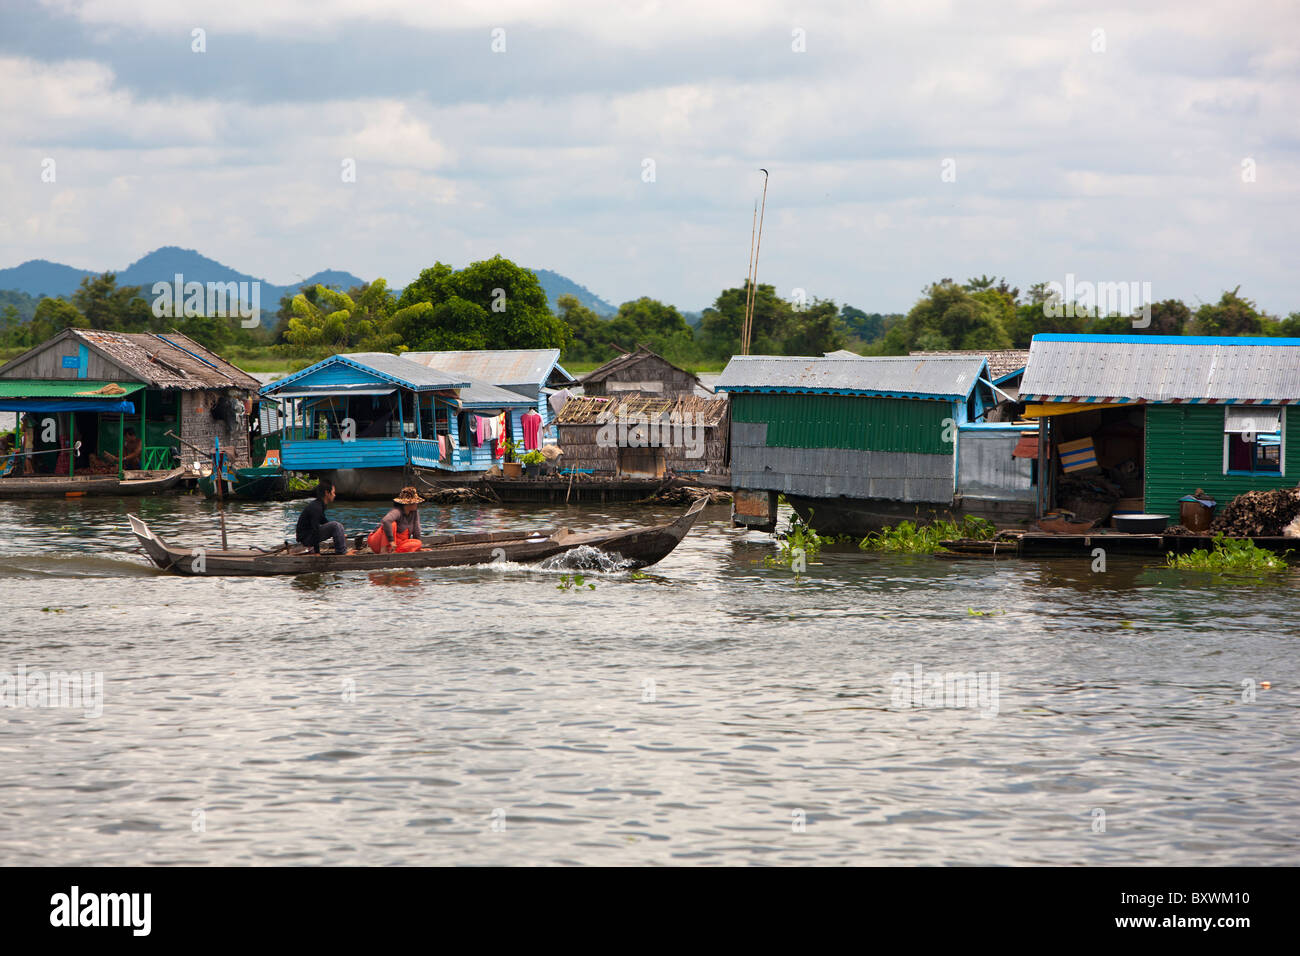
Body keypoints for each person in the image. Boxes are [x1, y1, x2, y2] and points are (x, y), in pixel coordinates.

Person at [296, 479, 350, 555]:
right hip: (306, 539)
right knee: (336, 525)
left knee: (338, 527)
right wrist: (317, 552)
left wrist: (340, 534)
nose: (335, 495)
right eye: (333, 493)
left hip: (309, 537)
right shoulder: (316, 507)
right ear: (327, 493)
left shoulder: (319, 505)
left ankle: (341, 549)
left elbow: (324, 521)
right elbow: (315, 530)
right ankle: (342, 552)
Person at [367, 486, 425, 553]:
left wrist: (418, 548)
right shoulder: (397, 511)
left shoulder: (415, 513)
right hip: (378, 542)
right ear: (408, 504)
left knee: (418, 543)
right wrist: (391, 541)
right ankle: (383, 551)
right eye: (415, 502)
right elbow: (386, 521)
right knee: (392, 524)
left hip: (396, 545)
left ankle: (394, 552)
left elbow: (416, 530)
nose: (417, 504)